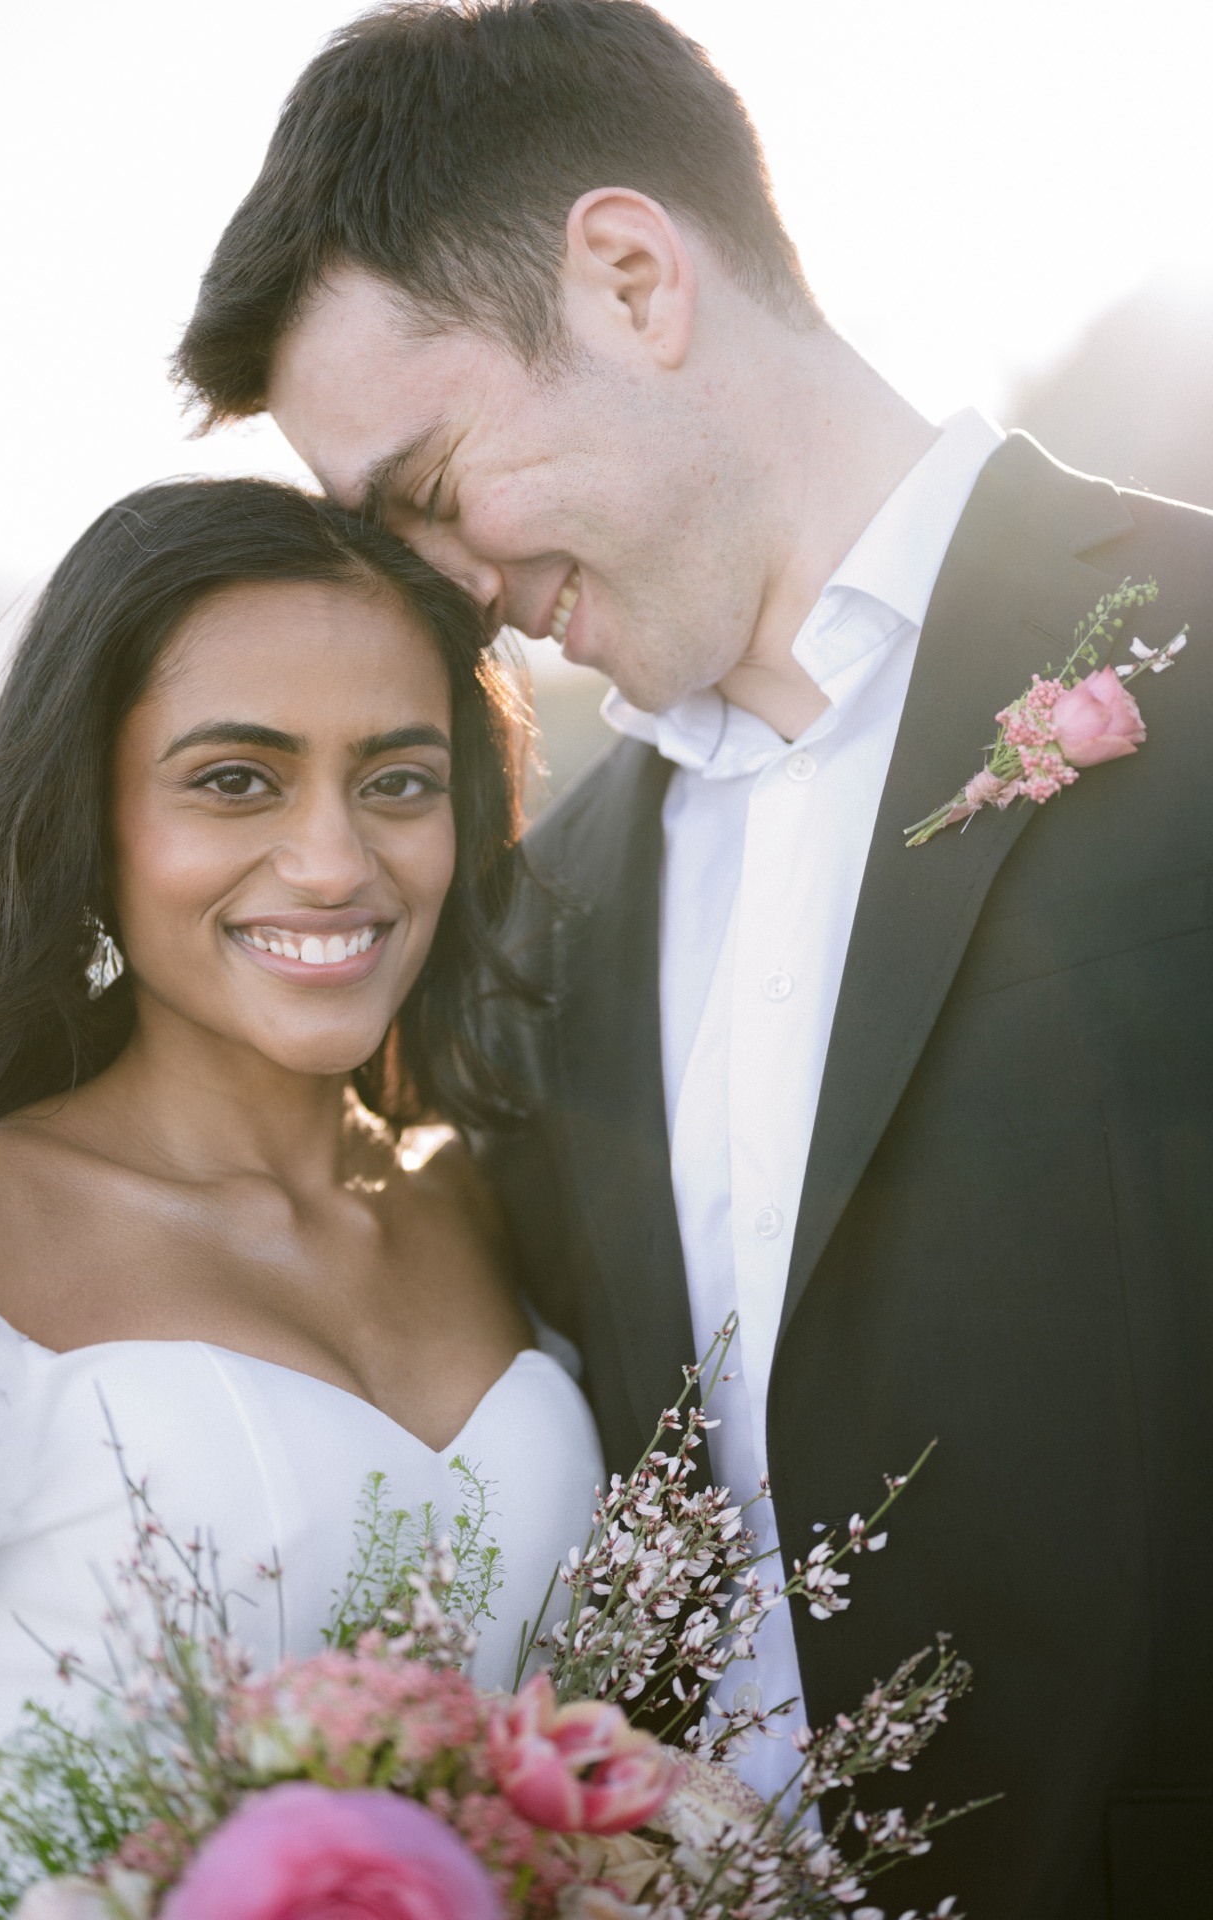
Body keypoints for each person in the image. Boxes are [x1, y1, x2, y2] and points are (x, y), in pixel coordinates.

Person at [173, 3, 1213, 1915]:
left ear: (635, 276)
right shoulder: (543, 905)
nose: (441, 591)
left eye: (427, 490)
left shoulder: (1202, 653)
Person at [0, 476, 604, 1777]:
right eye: (237, 780)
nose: (334, 862)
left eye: (399, 781)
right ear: (92, 819)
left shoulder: (483, 1196)